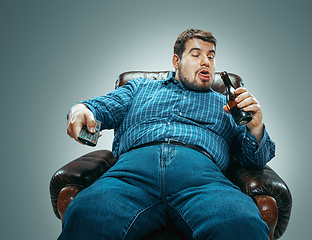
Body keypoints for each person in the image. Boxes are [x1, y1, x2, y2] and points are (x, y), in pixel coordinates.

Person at [61, 29, 275, 240]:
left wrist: (255, 127)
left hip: (202, 181)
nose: (206, 61)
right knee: (85, 215)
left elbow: (254, 160)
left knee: (241, 223)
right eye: (196, 54)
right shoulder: (140, 88)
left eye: (211, 56)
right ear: (176, 61)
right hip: (131, 176)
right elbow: (102, 107)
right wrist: (82, 109)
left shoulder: (227, 105)